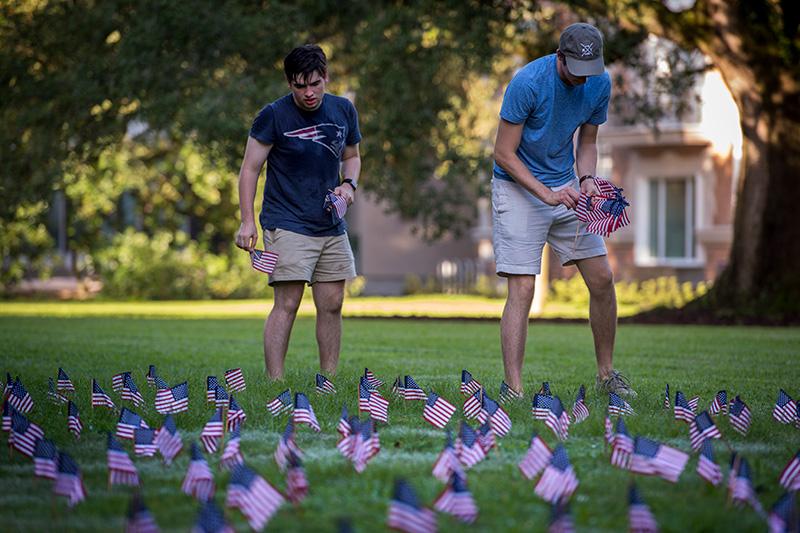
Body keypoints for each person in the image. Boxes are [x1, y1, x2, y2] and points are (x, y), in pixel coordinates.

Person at [491, 23, 635, 397]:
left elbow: (588, 141)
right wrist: (546, 194)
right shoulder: (528, 83)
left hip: (568, 186)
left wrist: (587, 179)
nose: (583, 79)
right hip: (518, 186)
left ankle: (607, 377)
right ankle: (514, 388)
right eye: (576, 70)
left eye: (591, 71)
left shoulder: (599, 83)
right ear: (560, 58)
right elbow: (503, 153)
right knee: (522, 288)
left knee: (602, 279)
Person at [235, 44, 361, 380]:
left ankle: (328, 380)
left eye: (315, 84)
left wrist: (348, 186)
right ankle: (275, 381)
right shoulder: (273, 115)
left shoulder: (343, 110)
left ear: (326, 78)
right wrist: (247, 220)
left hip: (330, 223)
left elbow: (352, 155)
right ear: (289, 83)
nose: (308, 93)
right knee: (287, 304)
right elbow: (249, 169)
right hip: (286, 221)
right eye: (299, 85)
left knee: (332, 303)